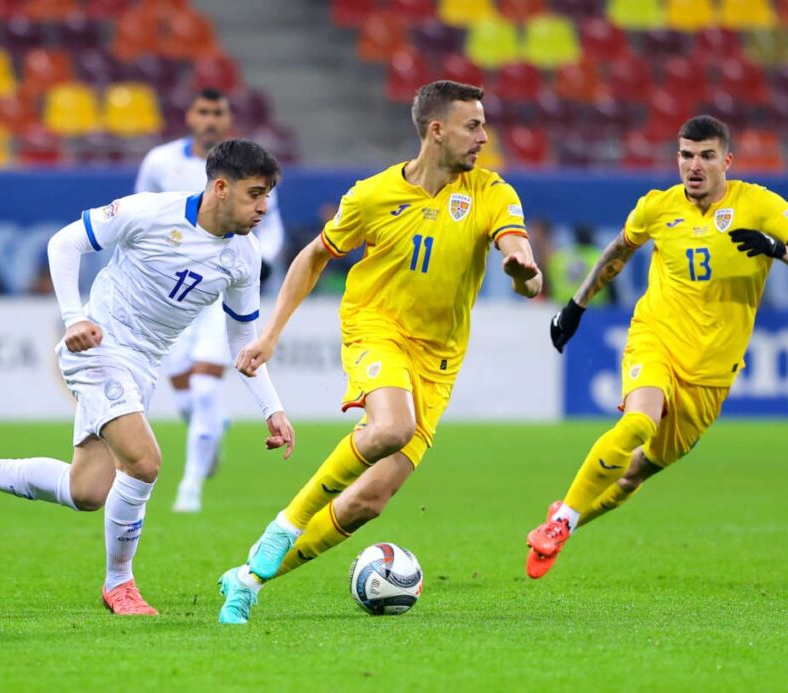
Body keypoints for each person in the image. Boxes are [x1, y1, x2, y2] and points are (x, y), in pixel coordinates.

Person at [0, 140, 296, 616]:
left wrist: (272, 407)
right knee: (144, 462)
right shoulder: (151, 212)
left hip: (144, 366)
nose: (263, 208)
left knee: (87, 491)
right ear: (220, 187)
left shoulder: (244, 255)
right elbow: (64, 242)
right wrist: (74, 317)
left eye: (267, 196)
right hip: (98, 347)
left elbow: (242, 338)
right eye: (255, 194)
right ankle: (120, 584)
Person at [216, 80, 543, 624]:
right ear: (436, 131)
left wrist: (522, 272)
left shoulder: (492, 192)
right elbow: (314, 256)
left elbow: (524, 263)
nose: (484, 137)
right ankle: (285, 525)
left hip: (438, 361)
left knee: (368, 501)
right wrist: (269, 334)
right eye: (472, 126)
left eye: (483, 125)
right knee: (392, 427)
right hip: (376, 327)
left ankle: (248, 579)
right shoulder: (372, 195)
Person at [525, 115, 788, 579]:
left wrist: (775, 248)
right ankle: (562, 521)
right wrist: (575, 306)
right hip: (657, 337)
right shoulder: (657, 207)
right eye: (687, 155)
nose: (695, 166)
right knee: (638, 421)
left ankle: (563, 521)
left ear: (727, 161)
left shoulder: (759, 204)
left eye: (707, 156)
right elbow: (617, 253)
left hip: (710, 373)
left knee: (634, 473)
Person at [135, 87, 286, 513]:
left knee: (204, 388)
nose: (210, 120)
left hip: (219, 292)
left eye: (217, 112)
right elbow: (142, 209)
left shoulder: (249, 171)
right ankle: (211, 430)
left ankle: (190, 487)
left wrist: (264, 261)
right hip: (172, 295)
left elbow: (271, 225)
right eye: (203, 111)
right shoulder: (160, 162)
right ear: (190, 116)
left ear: (226, 118)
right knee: (187, 396)